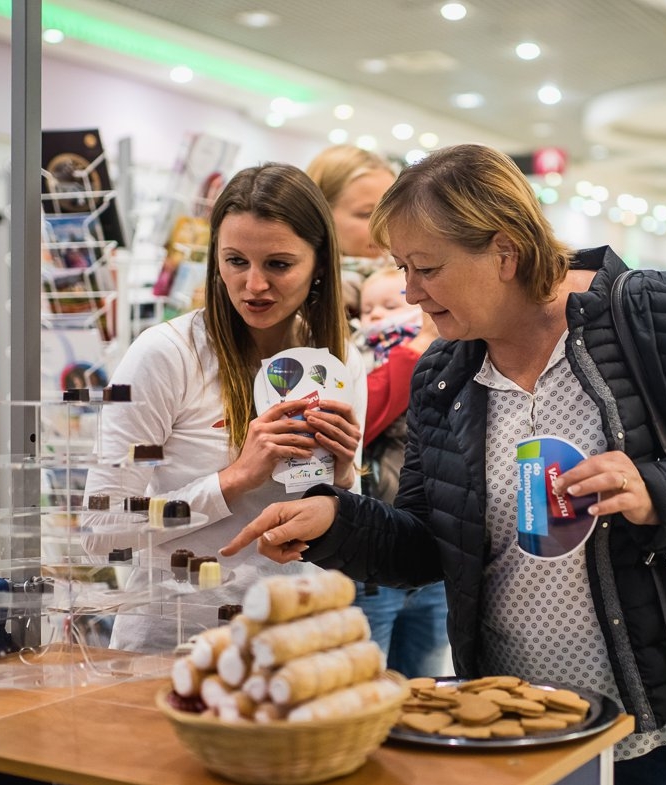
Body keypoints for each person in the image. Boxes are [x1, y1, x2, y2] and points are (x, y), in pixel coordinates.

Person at [223, 143, 666, 785]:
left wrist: (657, 492)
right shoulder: (443, 376)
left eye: (428, 269)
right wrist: (337, 519)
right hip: (514, 721)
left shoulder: (661, 314)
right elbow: (426, 543)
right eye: (402, 269)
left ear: (505, 252)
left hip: (663, 717)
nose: (410, 292)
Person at [82, 163, 367, 653]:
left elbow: (343, 518)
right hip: (172, 644)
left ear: (320, 263)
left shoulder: (339, 360)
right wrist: (233, 479)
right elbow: (100, 530)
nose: (254, 285)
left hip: (291, 642)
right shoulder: (166, 355)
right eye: (236, 261)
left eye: (278, 264)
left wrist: (342, 481)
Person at [310, 143, 451, 679]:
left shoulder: (423, 292)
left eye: (389, 208)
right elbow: (352, 420)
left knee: (428, 690)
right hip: (360, 539)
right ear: (321, 213)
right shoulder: (317, 312)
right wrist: (416, 352)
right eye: (363, 214)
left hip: (430, 537)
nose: (379, 228)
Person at [352, 267, 450, 678]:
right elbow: (365, 421)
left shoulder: (454, 353)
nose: (377, 317)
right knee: (364, 683)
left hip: (437, 560)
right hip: (375, 557)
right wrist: (416, 353)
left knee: (425, 684)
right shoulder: (359, 361)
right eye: (368, 309)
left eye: (390, 306)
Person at [306, 144, 397, 319]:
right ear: (320, 215)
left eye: (391, 213)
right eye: (366, 214)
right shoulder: (306, 294)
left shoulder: (411, 280)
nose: (384, 227)